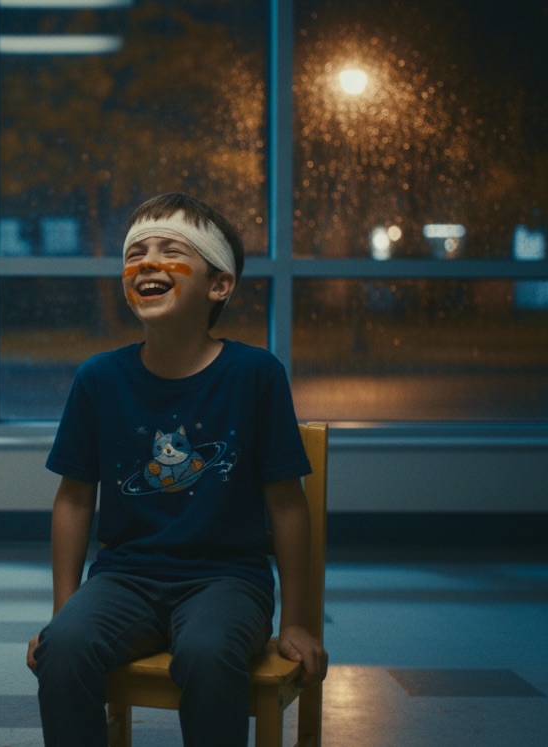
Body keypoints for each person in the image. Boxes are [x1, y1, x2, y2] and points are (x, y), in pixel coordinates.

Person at [25, 192, 328, 746]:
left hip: (229, 581)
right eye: (135, 253)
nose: (147, 262)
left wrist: (297, 623)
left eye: (171, 250)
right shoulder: (99, 378)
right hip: (123, 577)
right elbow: (73, 500)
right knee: (62, 652)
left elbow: (287, 504)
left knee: (209, 656)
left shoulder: (256, 376)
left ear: (220, 284)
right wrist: (62, 614)